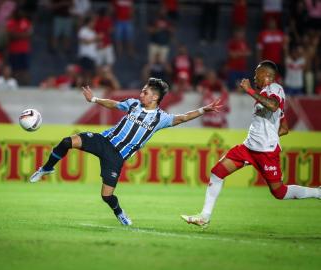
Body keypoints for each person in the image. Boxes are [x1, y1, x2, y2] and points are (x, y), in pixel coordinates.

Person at [30, 78, 222, 226]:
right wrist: (94, 99)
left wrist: (203, 109)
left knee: (106, 196)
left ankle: (119, 213)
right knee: (67, 142)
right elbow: (113, 104)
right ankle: (46, 168)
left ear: (155, 97)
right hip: (103, 140)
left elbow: (183, 117)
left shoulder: (161, 118)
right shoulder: (133, 104)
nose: (141, 94)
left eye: (145, 92)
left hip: (117, 157)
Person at [181, 60, 321, 229]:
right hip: (248, 148)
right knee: (217, 173)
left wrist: (248, 90)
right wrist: (268, 133)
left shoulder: (274, 89)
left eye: (257, 73)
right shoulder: (264, 93)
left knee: (279, 192)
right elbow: (284, 128)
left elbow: (273, 106)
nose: (254, 77)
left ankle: (318, 193)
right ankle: (204, 216)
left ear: (267, 75)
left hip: (265, 152)